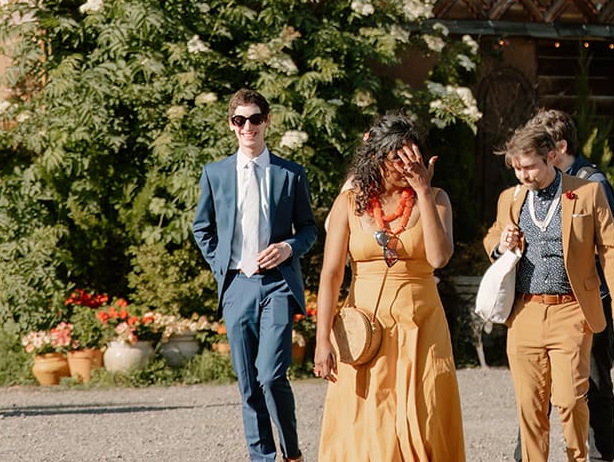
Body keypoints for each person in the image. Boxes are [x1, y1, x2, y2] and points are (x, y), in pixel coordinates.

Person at [313, 113, 465, 461]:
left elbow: (440, 257)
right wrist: (322, 340)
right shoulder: (350, 203)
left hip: (421, 325)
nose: (404, 166)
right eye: (396, 158)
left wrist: (423, 191)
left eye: (412, 157)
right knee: (369, 423)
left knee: (425, 416)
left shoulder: (437, 198)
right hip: (364, 329)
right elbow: (331, 275)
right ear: (375, 158)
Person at [484, 118, 614, 462]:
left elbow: (611, 251)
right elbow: (492, 235)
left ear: (551, 156)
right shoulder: (511, 198)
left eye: (530, 167)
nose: (523, 174)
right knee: (530, 406)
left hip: (571, 309)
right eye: (517, 168)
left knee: (569, 399)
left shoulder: (586, 191)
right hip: (524, 311)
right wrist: (499, 244)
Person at [192, 89, 317, 462]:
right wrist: (223, 268)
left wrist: (289, 247)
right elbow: (202, 228)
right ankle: (262, 457)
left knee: (270, 375)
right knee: (248, 382)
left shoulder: (290, 174)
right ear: (231, 125)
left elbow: (309, 229)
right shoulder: (215, 174)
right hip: (237, 285)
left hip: (278, 284)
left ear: (267, 121)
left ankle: (291, 452)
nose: (248, 126)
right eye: (240, 120)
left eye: (255, 119)